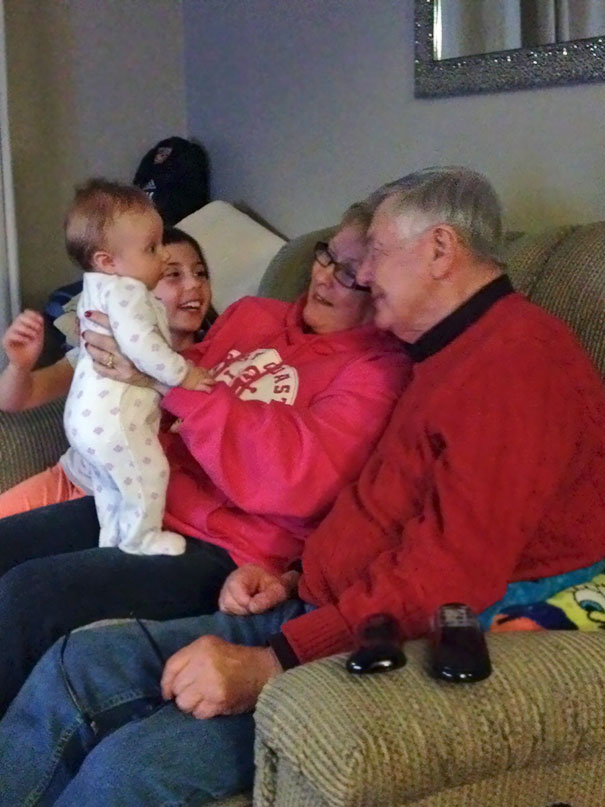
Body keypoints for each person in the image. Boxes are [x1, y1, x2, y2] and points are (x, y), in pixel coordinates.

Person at [1, 166, 602, 807]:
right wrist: (289, 577)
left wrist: (271, 662)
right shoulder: (442, 352)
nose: (362, 276)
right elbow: (379, 517)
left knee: (130, 767)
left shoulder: (515, 365)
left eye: (373, 256)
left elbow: (448, 575)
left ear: (439, 250)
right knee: (77, 665)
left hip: (364, 638)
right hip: (303, 599)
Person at [0, 200, 409, 716]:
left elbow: (294, 479)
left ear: (383, 287)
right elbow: (172, 373)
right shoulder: (253, 316)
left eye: (349, 274)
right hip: (143, 500)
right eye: (326, 256)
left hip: (224, 548)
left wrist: (166, 383)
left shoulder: (377, 372)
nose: (324, 277)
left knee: (31, 596)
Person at [0, 224, 216, 517]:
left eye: (200, 273)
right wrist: (20, 365)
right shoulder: (106, 349)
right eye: (173, 274)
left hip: (117, 505)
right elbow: (15, 400)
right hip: (68, 477)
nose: (194, 285)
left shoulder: (213, 360)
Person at [63, 179, 214, 556]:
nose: (162, 256)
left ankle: (113, 540)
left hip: (84, 421)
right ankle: (141, 538)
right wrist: (185, 375)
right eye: (152, 248)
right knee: (150, 474)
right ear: (107, 261)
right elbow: (142, 347)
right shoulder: (127, 292)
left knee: (112, 488)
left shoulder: (94, 292)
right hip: (114, 420)